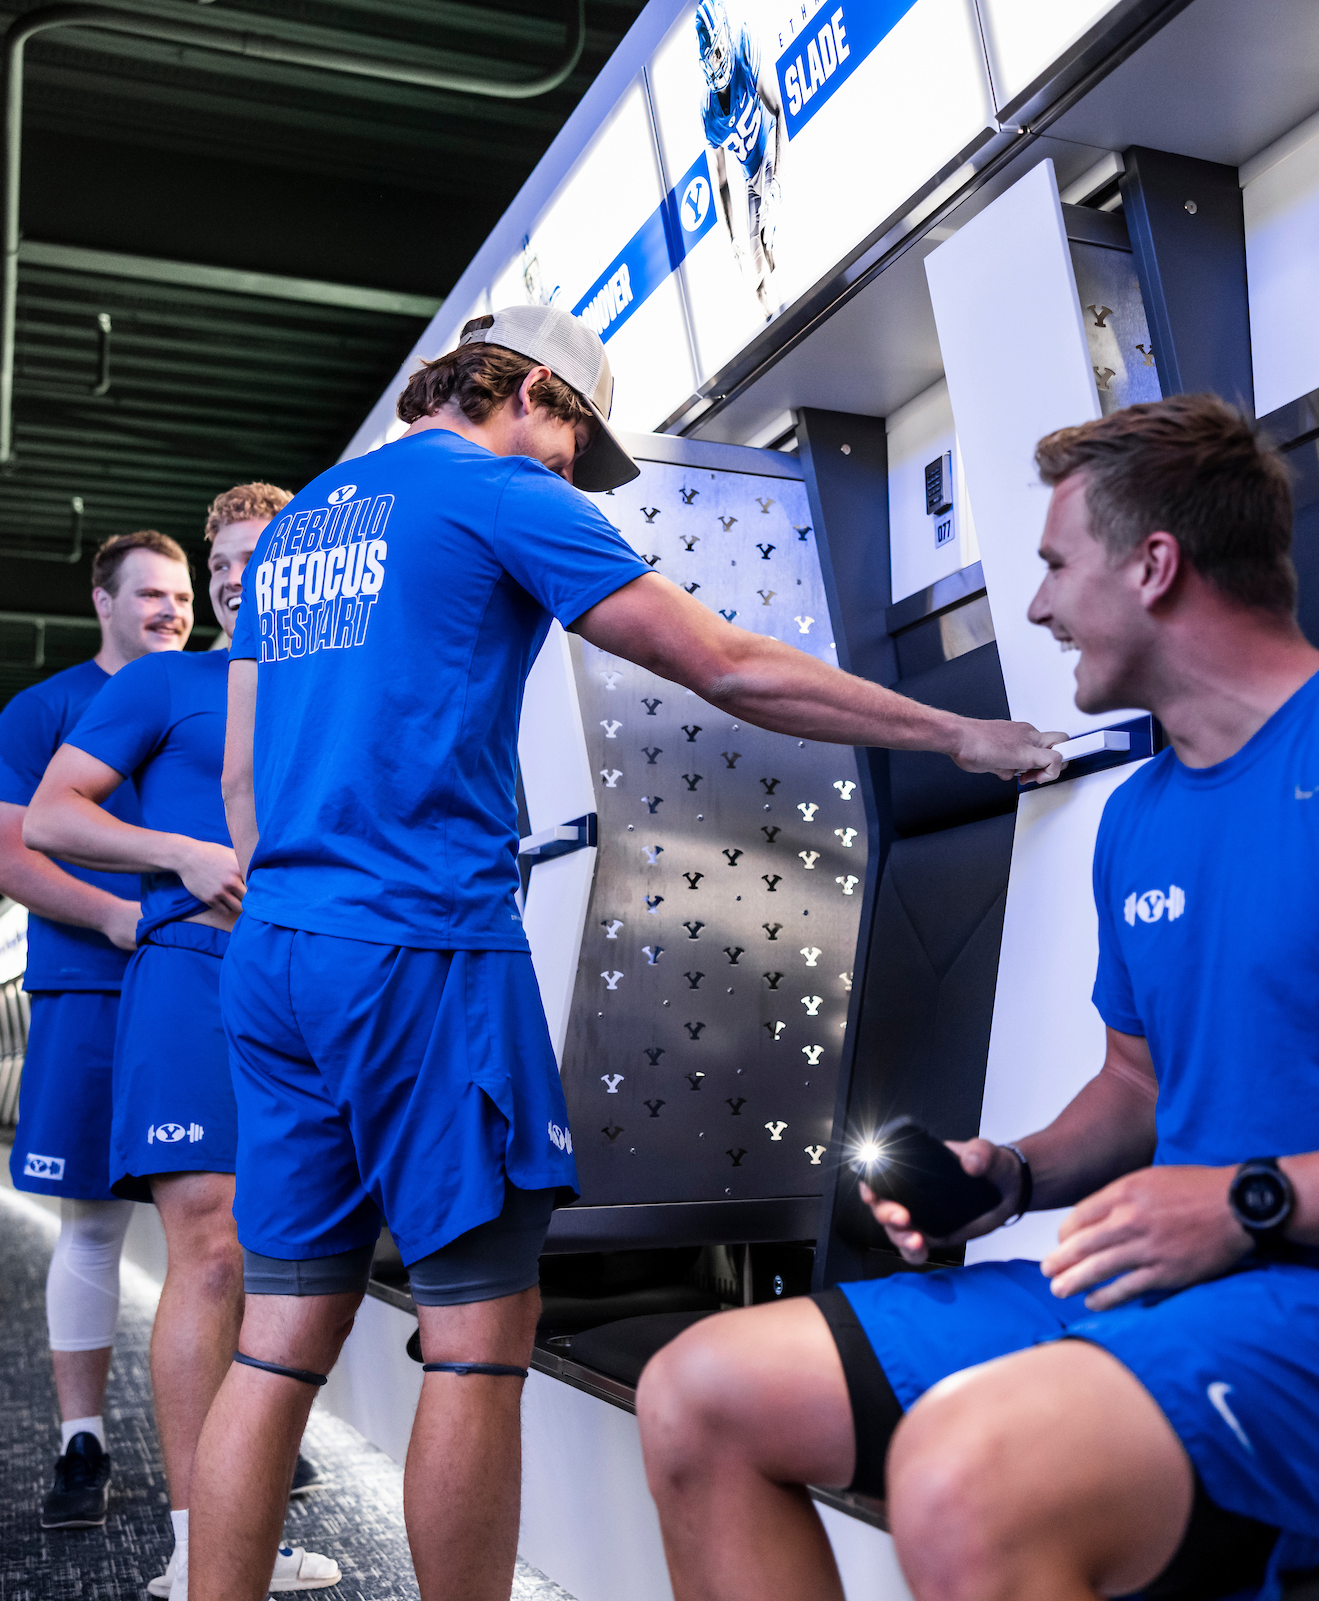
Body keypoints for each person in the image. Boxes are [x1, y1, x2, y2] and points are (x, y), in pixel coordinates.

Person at [635, 395, 1319, 1601]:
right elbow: (1139, 1085)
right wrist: (1007, 1176)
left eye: (1056, 566)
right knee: (699, 1391)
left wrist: (1251, 1201)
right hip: (1175, 1294)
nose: (1036, 605)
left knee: (963, 1474)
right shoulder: (1143, 816)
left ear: (1155, 566)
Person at [187, 306, 1062, 1601]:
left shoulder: (310, 518)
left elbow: (241, 779)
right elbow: (727, 666)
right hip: (417, 953)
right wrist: (954, 735)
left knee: (275, 1345)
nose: (565, 479)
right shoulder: (495, 494)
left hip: (278, 957)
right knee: (479, 1337)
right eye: (568, 446)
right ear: (532, 389)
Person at [28, 481, 341, 1600]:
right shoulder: (168, 680)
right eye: (219, 564)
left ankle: (245, 1520)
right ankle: (196, 1544)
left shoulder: (334, 681)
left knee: (285, 1255)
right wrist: (177, 854)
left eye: (254, 556)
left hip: (319, 982)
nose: (230, 577)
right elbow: (50, 818)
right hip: (193, 972)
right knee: (208, 1249)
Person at [0, 528, 193, 1530]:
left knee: (217, 1230)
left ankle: (231, 1437)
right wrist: (109, 914)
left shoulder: (219, 696)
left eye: (183, 594)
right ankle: (81, 1439)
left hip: (204, 992)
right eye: (150, 593)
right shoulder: (44, 708)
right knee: (93, 1222)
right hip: (90, 987)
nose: (173, 610)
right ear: (101, 601)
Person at [696, 0, 783, 311]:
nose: (715, 62)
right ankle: (775, 322)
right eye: (709, 57)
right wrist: (732, 235)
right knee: (755, 271)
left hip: (770, 154)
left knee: (767, 235)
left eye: (718, 52)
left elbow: (778, 114)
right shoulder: (710, 112)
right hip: (750, 177)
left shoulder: (744, 50)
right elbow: (719, 180)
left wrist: (777, 183)